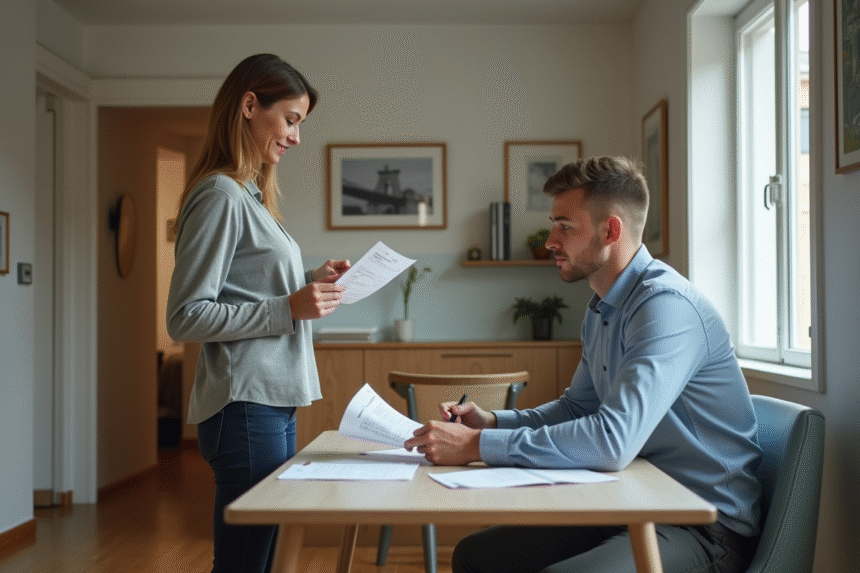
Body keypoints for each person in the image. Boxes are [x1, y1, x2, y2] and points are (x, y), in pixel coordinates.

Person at [404, 156, 762, 573]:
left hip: (702, 525)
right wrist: (493, 423)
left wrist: (475, 447)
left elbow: (612, 442)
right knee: (477, 555)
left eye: (565, 227)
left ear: (610, 230)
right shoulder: (602, 308)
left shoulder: (665, 308)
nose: (551, 241)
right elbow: (577, 408)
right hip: (633, 498)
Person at [166, 53, 350, 573]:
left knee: (262, 559)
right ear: (250, 105)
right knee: (246, 564)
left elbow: (245, 290)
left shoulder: (251, 197)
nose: (295, 136)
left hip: (269, 402)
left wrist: (308, 284)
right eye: (290, 119)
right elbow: (185, 317)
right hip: (245, 405)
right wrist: (288, 306)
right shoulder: (221, 195)